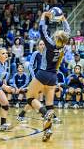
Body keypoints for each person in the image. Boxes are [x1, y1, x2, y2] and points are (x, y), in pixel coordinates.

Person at [24, 11, 70, 141]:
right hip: (53, 76)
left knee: (30, 98)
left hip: (43, 73)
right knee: (49, 105)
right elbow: (68, 30)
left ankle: (45, 114)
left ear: (56, 38)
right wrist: (63, 19)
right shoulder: (64, 46)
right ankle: (48, 130)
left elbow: (41, 30)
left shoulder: (50, 45)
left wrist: (44, 16)